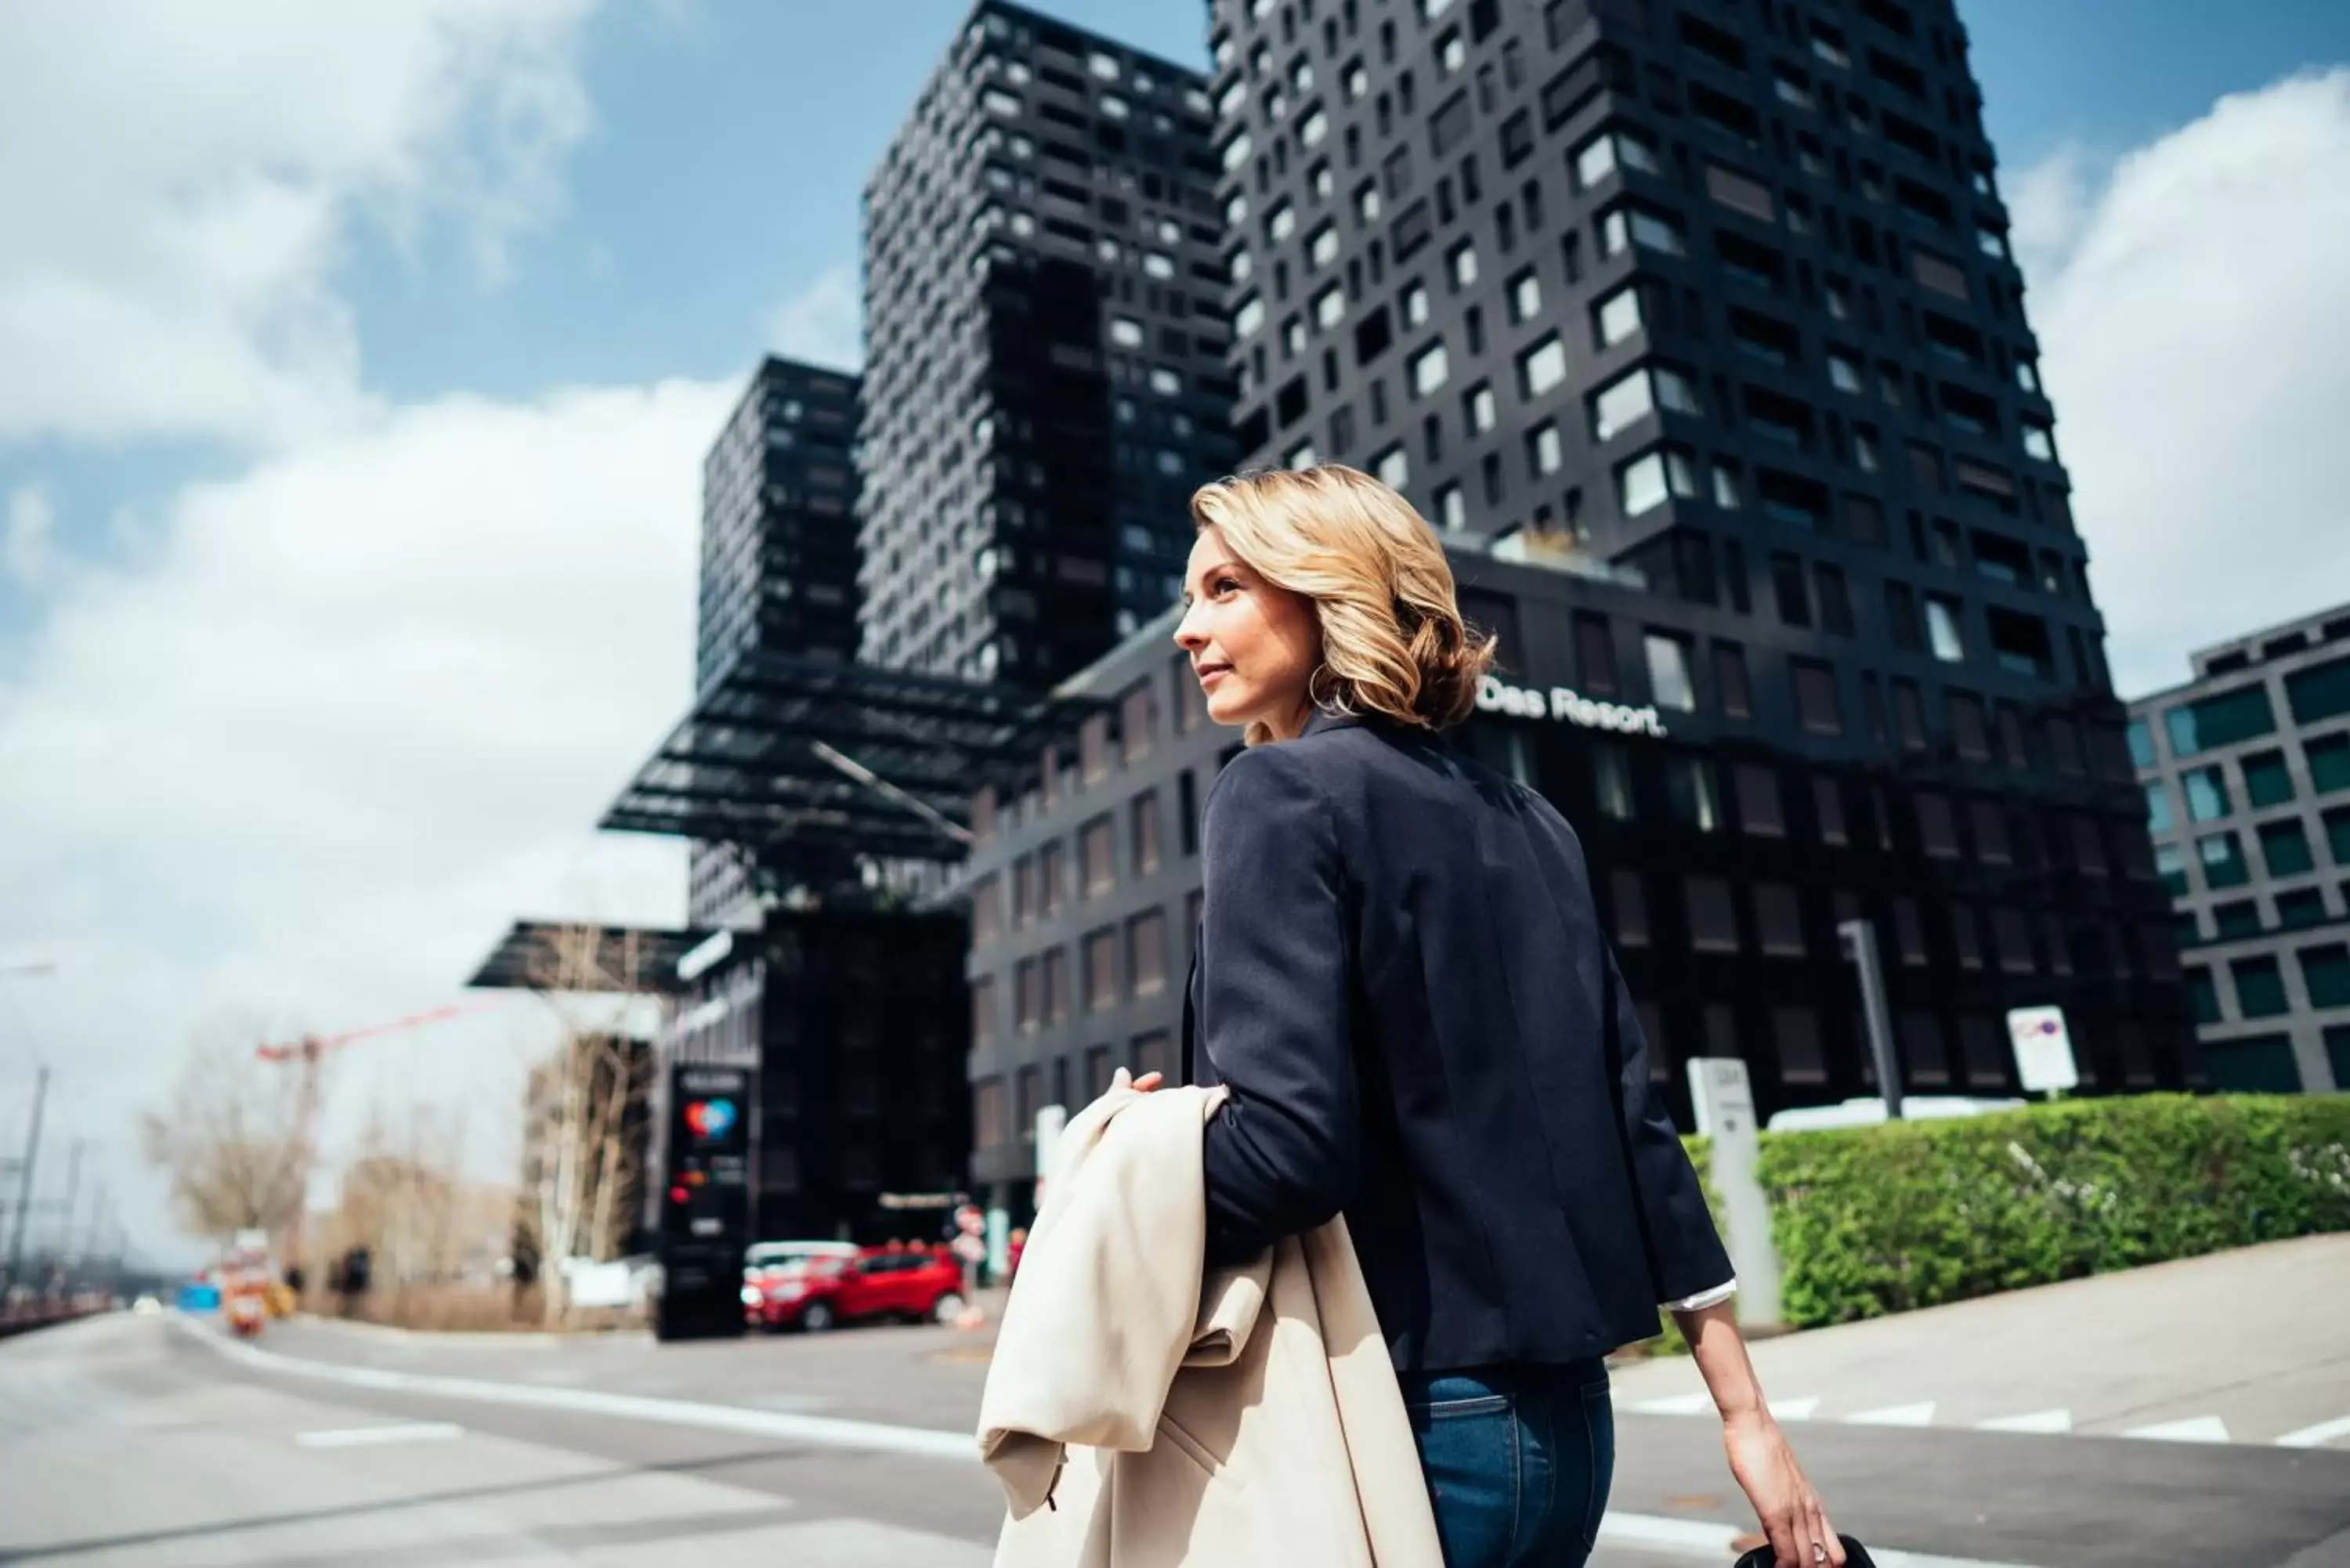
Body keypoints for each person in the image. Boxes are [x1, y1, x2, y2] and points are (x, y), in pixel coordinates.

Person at [1157, 465, 1843, 1568]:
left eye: (1226, 587)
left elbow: (1290, 1149)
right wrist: (1746, 1417)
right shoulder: (1533, 820)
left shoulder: (1277, 797)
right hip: (1569, 1429)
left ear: (1328, 589)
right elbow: (1635, 1125)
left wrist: (1127, 1176)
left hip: (1403, 1422)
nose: (1190, 630)